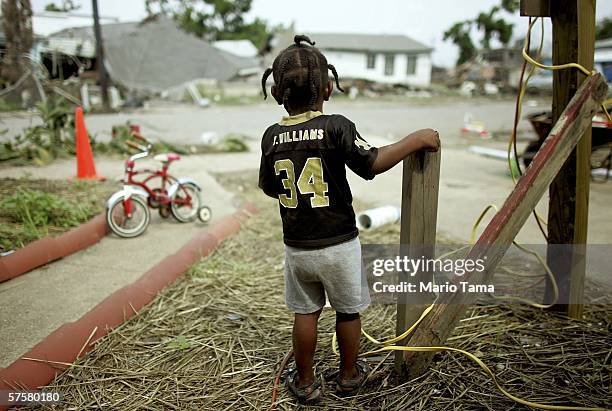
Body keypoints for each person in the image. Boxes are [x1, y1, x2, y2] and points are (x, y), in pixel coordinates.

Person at [258, 34, 440, 404]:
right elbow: (372, 163)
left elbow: (269, 187)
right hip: (339, 243)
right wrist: (415, 140)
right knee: (348, 310)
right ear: (328, 88)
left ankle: (306, 381)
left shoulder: (271, 136)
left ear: (277, 94)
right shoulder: (336, 126)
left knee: (305, 313)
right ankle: (349, 375)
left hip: (298, 248)